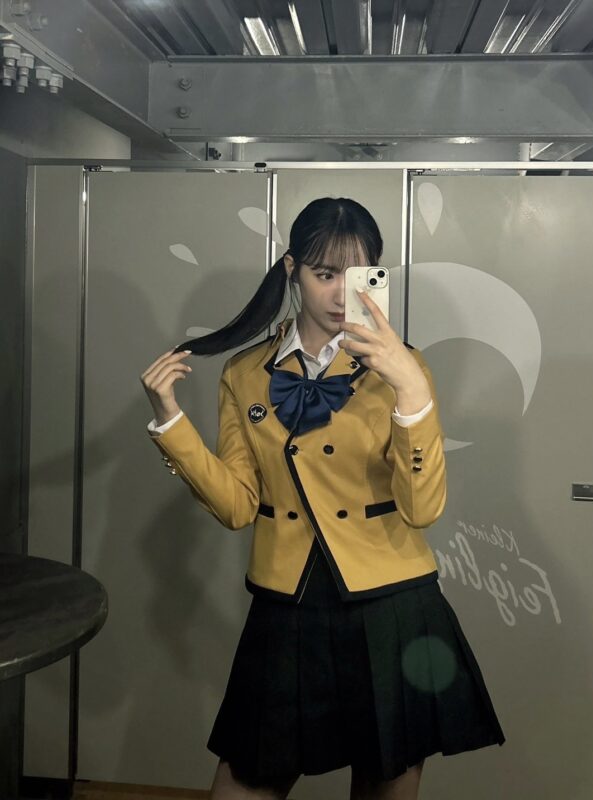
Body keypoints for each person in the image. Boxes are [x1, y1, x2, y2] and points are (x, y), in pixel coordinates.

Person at [140, 197, 505, 800]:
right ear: (293, 270)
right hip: (287, 606)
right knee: (243, 781)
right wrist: (170, 422)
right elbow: (236, 507)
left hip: (391, 607)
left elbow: (422, 509)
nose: (340, 294)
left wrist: (409, 386)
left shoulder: (404, 368)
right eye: (324, 273)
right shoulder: (245, 373)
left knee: (384, 783)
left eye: (357, 275)